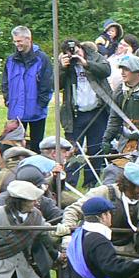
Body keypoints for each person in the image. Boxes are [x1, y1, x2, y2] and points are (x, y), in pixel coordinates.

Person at [58, 39, 111, 188]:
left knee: (96, 148)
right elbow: (55, 84)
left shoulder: (94, 56)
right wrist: (63, 68)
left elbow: (106, 70)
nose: (75, 54)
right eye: (71, 52)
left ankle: (91, 181)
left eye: (77, 50)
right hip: (76, 114)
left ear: (81, 47)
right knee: (73, 149)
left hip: (98, 112)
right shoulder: (66, 65)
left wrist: (86, 63)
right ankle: (70, 182)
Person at [2, 26, 54, 152]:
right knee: (15, 147)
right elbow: (5, 82)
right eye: (14, 41)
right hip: (16, 113)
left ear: (28, 39)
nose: (16, 44)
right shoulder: (10, 60)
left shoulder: (42, 59)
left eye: (19, 41)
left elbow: (47, 84)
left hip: (37, 112)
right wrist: (8, 100)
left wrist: (41, 104)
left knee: (37, 146)